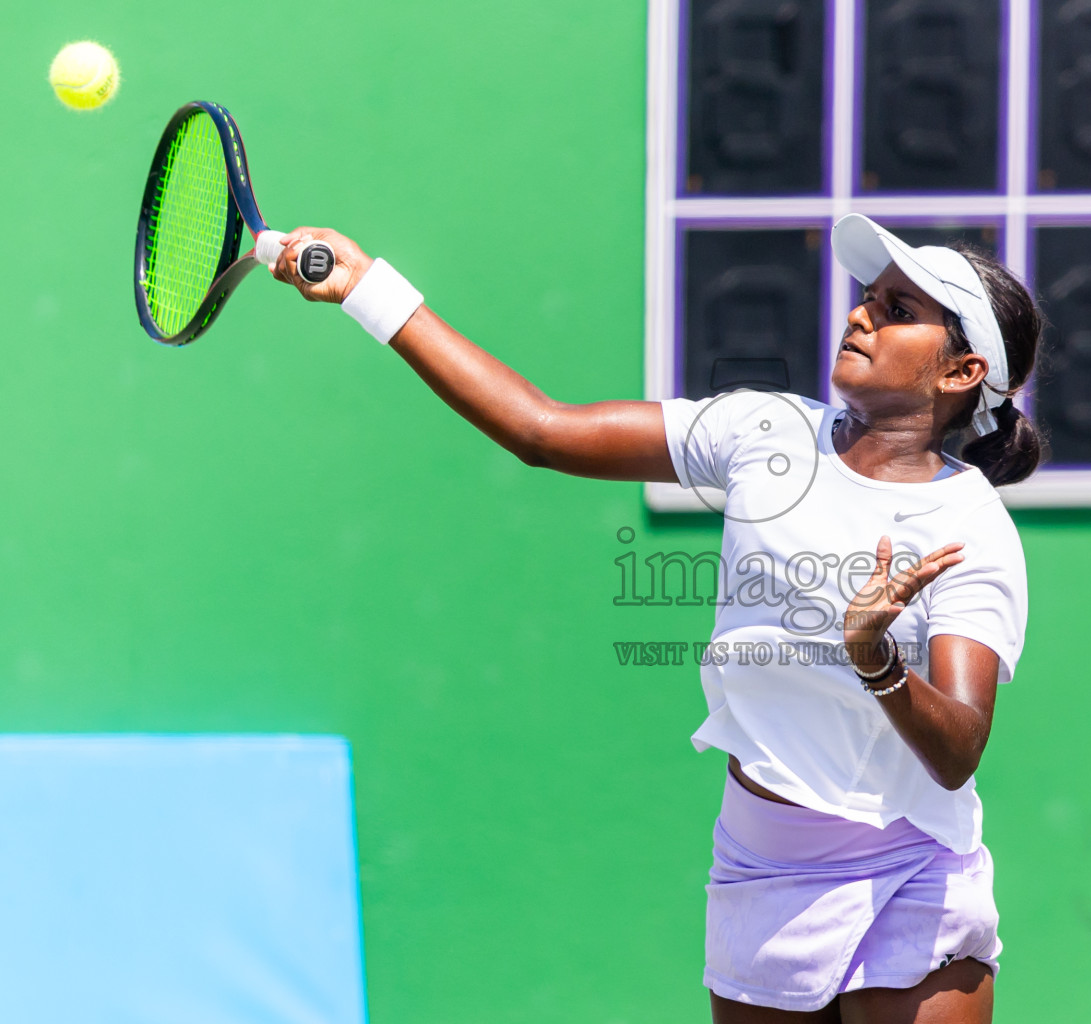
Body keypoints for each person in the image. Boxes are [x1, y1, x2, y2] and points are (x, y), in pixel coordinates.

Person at [268, 213, 1042, 1023]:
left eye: (898, 310)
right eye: (868, 298)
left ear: (962, 371)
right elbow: (543, 430)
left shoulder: (971, 531)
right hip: (764, 863)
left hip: (912, 865)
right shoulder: (763, 431)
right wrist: (367, 289)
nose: (861, 315)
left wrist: (874, 659)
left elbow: (956, 749)